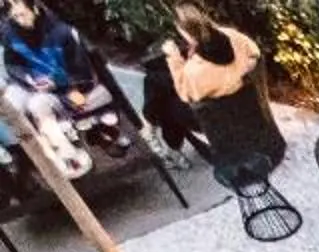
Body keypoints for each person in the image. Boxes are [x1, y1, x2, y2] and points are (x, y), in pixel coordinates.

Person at [2, 2, 122, 177]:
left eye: (23, 14)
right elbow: (12, 65)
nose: (21, 20)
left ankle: (70, 157)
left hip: (63, 88)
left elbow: (81, 71)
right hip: (32, 86)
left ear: (34, 9)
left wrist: (55, 82)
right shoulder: (11, 36)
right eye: (16, 17)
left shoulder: (61, 32)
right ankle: (48, 157)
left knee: (38, 104)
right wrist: (30, 79)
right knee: (15, 103)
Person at [141, 5, 256, 161]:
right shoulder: (233, 35)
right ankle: (154, 127)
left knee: (165, 103)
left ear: (183, 30)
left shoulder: (196, 70)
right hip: (241, 102)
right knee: (156, 79)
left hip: (216, 118)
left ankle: (159, 133)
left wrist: (174, 57)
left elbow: (185, 93)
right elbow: (255, 54)